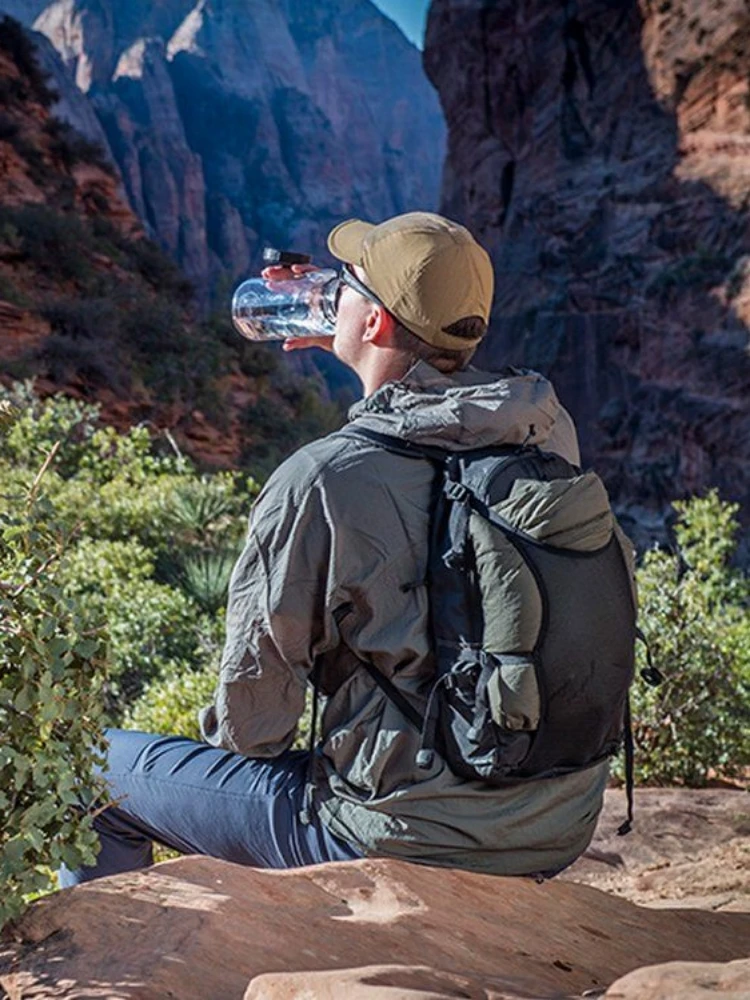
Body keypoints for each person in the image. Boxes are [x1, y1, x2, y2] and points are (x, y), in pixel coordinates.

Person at [60, 212, 609, 887]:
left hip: (399, 834)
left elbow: (253, 731)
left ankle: (103, 947)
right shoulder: (547, 434)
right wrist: (360, 338)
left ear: (374, 321)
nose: (327, 289)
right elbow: (438, 422)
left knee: (91, 765)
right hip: (551, 824)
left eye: (344, 283)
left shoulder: (320, 480)